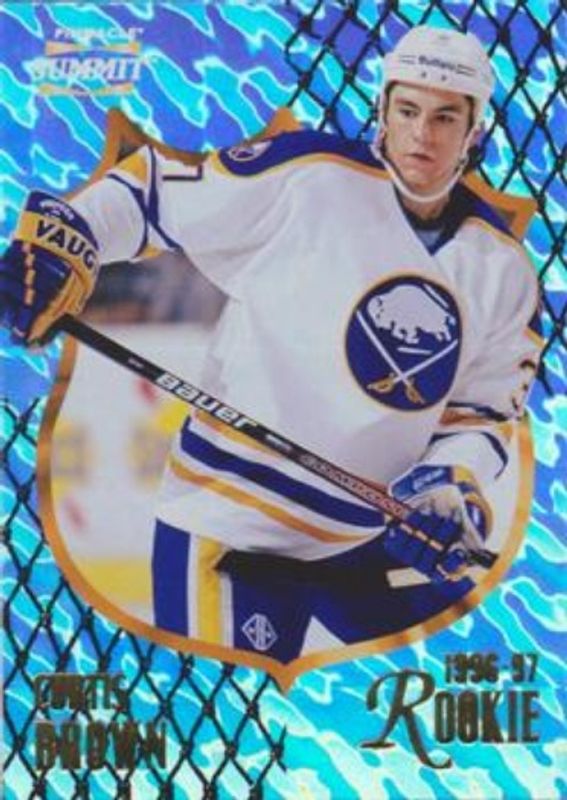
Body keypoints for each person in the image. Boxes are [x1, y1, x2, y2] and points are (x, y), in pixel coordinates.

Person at [0, 27, 541, 663]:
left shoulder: (503, 268)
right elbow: (152, 190)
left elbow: (481, 414)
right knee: (222, 699)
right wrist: (69, 241)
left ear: (475, 133)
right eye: (407, 110)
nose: (422, 134)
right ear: (383, 112)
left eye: (445, 117)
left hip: (363, 546)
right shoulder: (310, 176)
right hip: (226, 526)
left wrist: (450, 490)